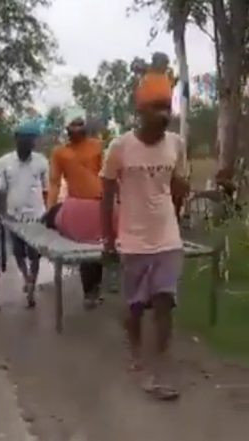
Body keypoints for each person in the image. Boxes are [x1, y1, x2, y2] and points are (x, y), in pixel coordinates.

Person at [101, 71, 188, 401]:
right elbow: (107, 193)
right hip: (133, 240)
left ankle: (158, 370)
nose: (164, 114)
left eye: (167, 107)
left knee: (164, 302)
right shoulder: (121, 147)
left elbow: (179, 187)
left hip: (167, 237)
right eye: (156, 108)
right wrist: (107, 240)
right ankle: (136, 353)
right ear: (140, 111)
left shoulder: (176, 145)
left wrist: (181, 199)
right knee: (136, 307)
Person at [48, 117, 105, 309]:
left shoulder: (98, 146)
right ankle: (89, 291)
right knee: (84, 248)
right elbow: (55, 182)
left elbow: (109, 174)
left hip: (100, 204)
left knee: (100, 247)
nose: (77, 129)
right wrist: (50, 208)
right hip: (77, 207)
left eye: (80, 125)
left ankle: (95, 288)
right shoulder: (60, 152)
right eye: (73, 126)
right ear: (67, 129)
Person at [0, 120, 49, 308]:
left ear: (34, 141)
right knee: (18, 253)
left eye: (30, 139)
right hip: (14, 217)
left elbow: (46, 189)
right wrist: (2, 215)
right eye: (23, 139)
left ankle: (32, 286)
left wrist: (48, 213)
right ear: (16, 139)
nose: (27, 143)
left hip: (36, 216)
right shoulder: (3, 162)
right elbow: (0, 190)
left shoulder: (42, 161)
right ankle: (26, 277)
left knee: (35, 254)